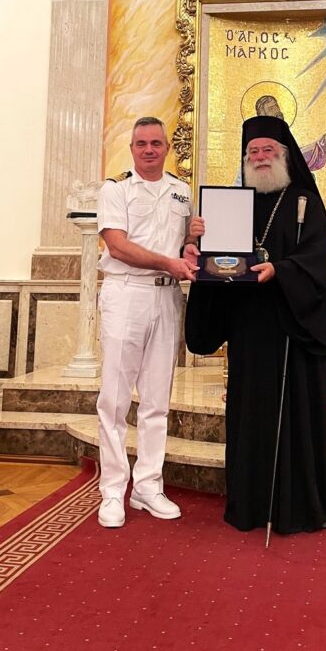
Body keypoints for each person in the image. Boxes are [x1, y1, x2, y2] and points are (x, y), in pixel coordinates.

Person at [185, 114, 326, 534]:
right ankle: (250, 502)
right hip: (249, 329)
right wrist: (198, 238)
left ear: (284, 155)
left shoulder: (305, 201)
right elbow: (218, 261)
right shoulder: (233, 206)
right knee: (251, 412)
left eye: (267, 149)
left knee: (294, 416)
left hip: (293, 330)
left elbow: (318, 260)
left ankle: (303, 505)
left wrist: (282, 271)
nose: (259, 157)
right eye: (252, 151)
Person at [95, 117, 204, 529]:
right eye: (141, 143)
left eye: (156, 143)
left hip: (167, 296)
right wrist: (169, 262)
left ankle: (148, 486)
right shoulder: (116, 189)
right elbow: (117, 247)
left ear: (167, 148)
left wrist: (192, 241)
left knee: (157, 401)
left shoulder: (181, 191)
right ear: (132, 148)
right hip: (127, 293)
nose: (149, 150)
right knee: (115, 400)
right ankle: (112, 491)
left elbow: (184, 247)